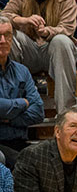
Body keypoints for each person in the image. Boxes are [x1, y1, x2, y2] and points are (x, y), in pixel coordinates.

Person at [1, 0, 77, 111]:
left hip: (54, 50)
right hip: (29, 50)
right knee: (11, 36)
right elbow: (3, 17)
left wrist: (47, 31)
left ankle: (66, 111)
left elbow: (68, 27)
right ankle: (13, 105)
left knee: (62, 40)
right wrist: (23, 20)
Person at [0, 13, 44, 169]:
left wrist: (8, 119)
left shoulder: (22, 71)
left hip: (19, 142)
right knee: (20, 164)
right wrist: (22, 103)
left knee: (46, 160)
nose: (2, 40)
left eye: (7, 35)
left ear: (12, 39)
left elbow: (38, 111)